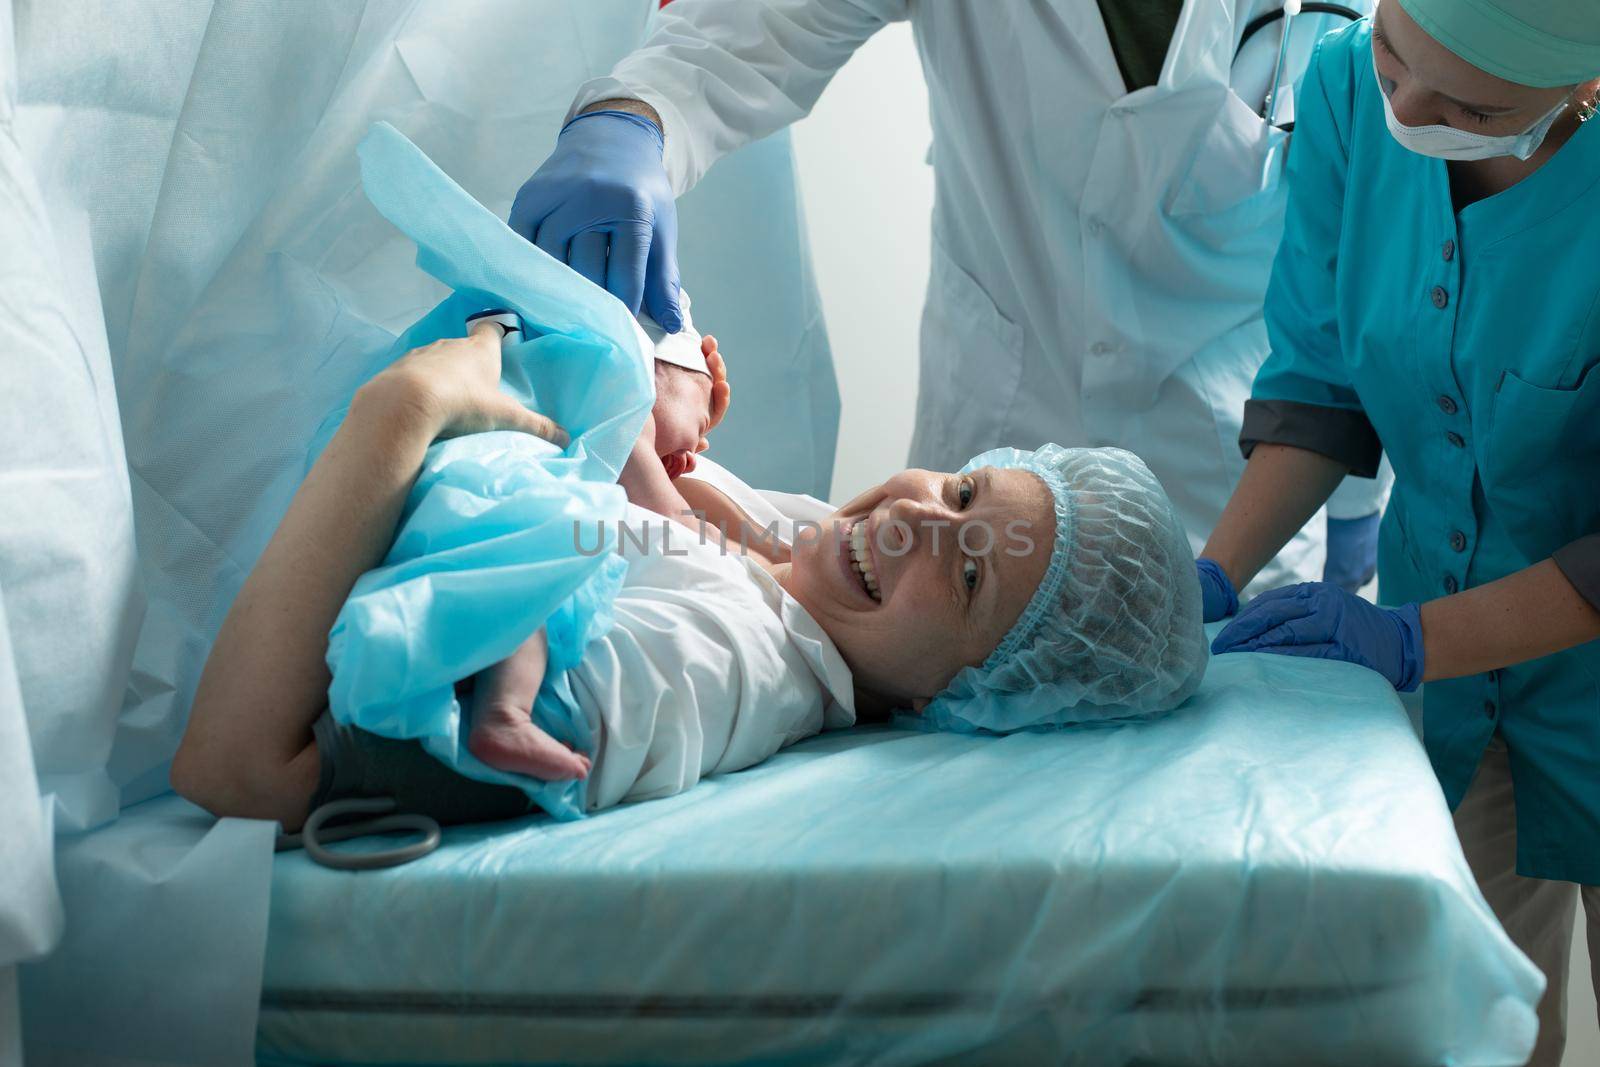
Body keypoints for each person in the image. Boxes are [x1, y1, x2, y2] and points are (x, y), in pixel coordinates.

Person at [170, 316, 1207, 832]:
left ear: (962, 697)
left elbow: (245, 771)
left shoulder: (723, 667)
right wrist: (679, 430)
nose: (915, 518)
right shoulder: (800, 559)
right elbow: (683, 523)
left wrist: (402, 410)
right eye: (968, 490)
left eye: (972, 576)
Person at [507, 0, 1383, 599]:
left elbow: (1368, 235)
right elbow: (746, 33)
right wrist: (636, 116)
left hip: (1240, 490)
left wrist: (1349, 504)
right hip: (986, 472)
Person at [1191, 2, 1600, 1060]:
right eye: (1391, 52)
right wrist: (1208, 578)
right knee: (1471, 1034)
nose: (1406, 109)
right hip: (1455, 696)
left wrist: (1411, 639)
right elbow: (1323, 387)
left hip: (1537, 655)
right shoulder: (1338, 92)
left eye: (1472, 103)